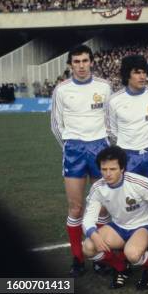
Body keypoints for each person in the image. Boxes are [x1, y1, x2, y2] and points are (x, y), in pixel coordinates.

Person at [50, 44, 112, 276]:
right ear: (70, 65)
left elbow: (110, 120)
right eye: (76, 62)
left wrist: (107, 147)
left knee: (103, 207)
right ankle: (77, 258)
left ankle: (102, 257)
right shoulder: (62, 90)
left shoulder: (105, 87)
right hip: (74, 150)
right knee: (76, 207)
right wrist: (68, 146)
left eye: (85, 61)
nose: (81, 65)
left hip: (100, 149)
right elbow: (56, 125)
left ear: (92, 62)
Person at [82, 145, 148, 290]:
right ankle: (121, 267)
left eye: (112, 169)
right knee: (88, 247)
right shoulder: (98, 188)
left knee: (132, 254)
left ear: (122, 168)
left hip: (144, 225)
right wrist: (93, 234)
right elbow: (88, 218)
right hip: (119, 226)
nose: (108, 174)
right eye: (104, 169)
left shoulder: (139, 183)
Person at [107, 55, 148, 191]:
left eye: (144, 72)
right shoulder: (114, 100)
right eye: (136, 72)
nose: (142, 76)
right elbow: (111, 131)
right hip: (128, 156)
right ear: (127, 75)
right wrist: (127, 145)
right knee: (130, 204)